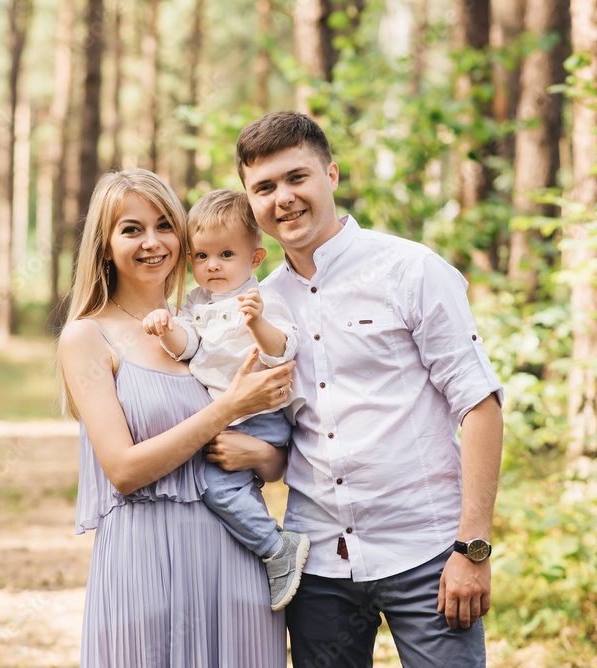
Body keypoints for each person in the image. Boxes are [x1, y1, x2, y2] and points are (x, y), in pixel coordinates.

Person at [233, 111, 505, 667]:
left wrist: (472, 549)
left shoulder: (410, 270)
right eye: (264, 187)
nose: (282, 198)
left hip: (427, 555)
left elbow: (479, 406)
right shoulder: (261, 305)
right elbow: (277, 433)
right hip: (319, 569)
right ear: (250, 202)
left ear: (331, 176)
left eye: (296, 178)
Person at [58, 168, 292, 666]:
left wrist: (267, 457)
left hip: (236, 560)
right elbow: (122, 470)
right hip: (145, 564)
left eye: (165, 225)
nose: (152, 242)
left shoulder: (207, 328)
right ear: (104, 245)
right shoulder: (87, 337)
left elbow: (271, 460)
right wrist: (227, 408)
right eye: (131, 229)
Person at [141, 189, 311, 612]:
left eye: (225, 255)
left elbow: (282, 350)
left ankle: (277, 548)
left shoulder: (263, 300)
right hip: (225, 417)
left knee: (219, 491)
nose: (212, 265)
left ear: (254, 259)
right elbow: (189, 346)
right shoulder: (196, 302)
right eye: (201, 257)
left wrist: (256, 324)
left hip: (257, 417)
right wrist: (166, 328)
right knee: (219, 484)